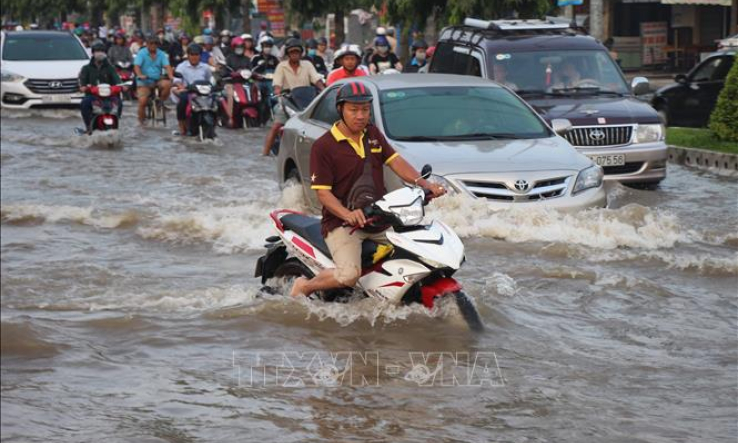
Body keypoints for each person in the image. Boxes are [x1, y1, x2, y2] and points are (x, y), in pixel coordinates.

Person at [289, 81, 446, 297]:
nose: (360, 116)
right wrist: (348, 214)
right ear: (340, 109)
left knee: (418, 254)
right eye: (353, 110)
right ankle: (304, 286)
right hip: (342, 224)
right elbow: (323, 193)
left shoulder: (372, 133)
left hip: (378, 217)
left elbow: (396, 161)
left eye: (365, 109)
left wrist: (425, 184)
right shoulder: (323, 146)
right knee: (348, 276)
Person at [262, 38, 325, 156]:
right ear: (288, 54)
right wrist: (278, 93)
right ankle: (264, 153)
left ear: (301, 53)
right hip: (287, 102)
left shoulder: (307, 65)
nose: (294, 54)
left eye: (297, 52)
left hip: (306, 103)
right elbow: (277, 84)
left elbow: (316, 79)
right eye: (292, 52)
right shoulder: (281, 66)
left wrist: (322, 88)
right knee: (276, 126)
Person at [78, 40, 123, 134]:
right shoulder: (86, 68)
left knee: (119, 102)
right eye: (97, 51)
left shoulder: (110, 68)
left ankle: (117, 121)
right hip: (92, 96)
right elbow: (82, 81)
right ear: (93, 53)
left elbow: (117, 80)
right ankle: (88, 127)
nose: (100, 53)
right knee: (84, 103)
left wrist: (122, 86)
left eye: (102, 51)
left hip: (109, 96)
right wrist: (83, 87)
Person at [172, 43, 213, 136]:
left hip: (203, 93)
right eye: (192, 54)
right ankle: (182, 128)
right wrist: (181, 87)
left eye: (196, 55)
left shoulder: (205, 67)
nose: (194, 57)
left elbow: (209, 80)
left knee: (215, 102)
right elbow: (177, 81)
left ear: (200, 56)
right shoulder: (181, 67)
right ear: (188, 55)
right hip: (188, 92)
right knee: (182, 103)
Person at [133, 35, 174, 126]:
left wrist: (171, 76)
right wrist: (140, 75)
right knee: (142, 102)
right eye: (151, 43)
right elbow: (136, 66)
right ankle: (142, 122)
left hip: (157, 80)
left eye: (156, 43)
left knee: (168, 84)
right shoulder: (141, 53)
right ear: (147, 44)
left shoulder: (161, 54)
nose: (153, 45)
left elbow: (167, 66)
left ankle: (160, 102)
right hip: (144, 81)